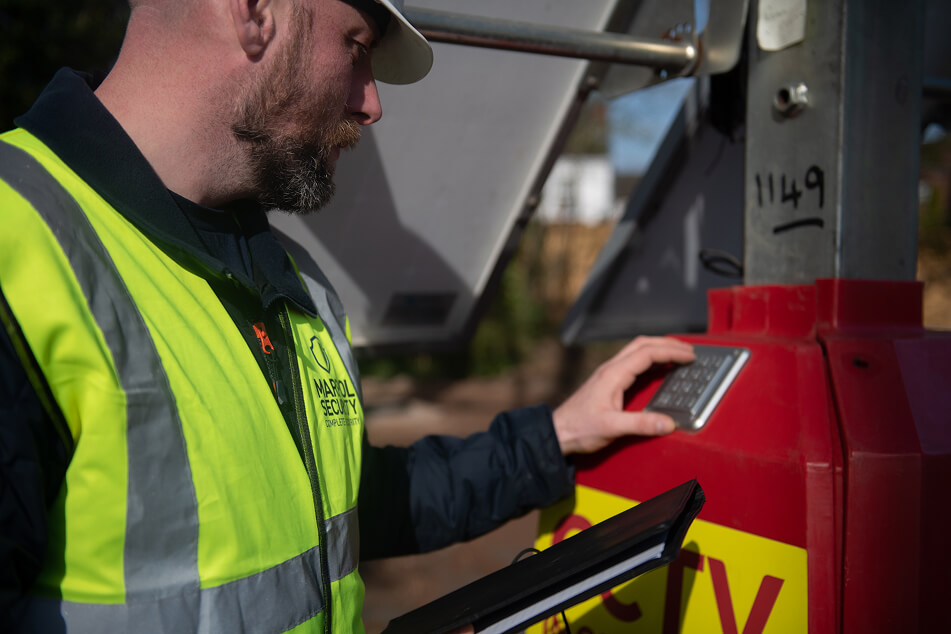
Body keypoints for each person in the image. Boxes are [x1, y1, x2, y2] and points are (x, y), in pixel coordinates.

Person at [0, 0, 695, 631]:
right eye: (356, 45)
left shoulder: (292, 278)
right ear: (254, 11)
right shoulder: (15, 242)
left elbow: (350, 507)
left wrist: (555, 436)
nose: (370, 105)